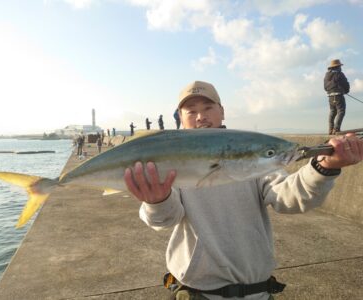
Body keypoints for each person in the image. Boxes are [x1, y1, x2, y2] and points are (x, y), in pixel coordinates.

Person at [124, 80, 363, 300]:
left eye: (208, 108)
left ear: (222, 111)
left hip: (257, 291)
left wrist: (323, 167)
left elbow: (289, 197)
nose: (200, 117)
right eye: (191, 111)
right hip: (196, 291)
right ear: (180, 118)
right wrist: (157, 201)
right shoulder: (170, 158)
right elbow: (165, 219)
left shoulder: (252, 153)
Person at [324, 59, 350, 135]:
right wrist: (346, 91)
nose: (340, 67)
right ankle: (336, 129)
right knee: (341, 111)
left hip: (330, 96)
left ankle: (330, 129)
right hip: (338, 96)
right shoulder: (340, 74)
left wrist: (331, 91)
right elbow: (346, 84)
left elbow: (325, 87)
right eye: (340, 66)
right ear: (338, 66)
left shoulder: (327, 75)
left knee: (332, 112)